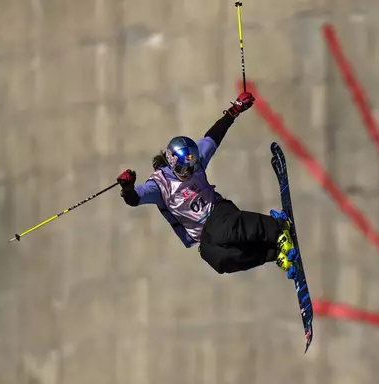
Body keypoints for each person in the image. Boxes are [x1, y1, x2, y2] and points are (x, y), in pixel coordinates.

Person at [116, 92, 298, 278]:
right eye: (183, 168)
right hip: (203, 234)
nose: (189, 172)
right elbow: (134, 199)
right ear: (171, 162)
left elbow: (213, 137)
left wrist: (235, 110)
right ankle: (274, 253)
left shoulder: (196, 160)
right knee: (219, 260)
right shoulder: (159, 184)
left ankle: (277, 228)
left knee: (221, 231)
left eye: (192, 167)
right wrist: (127, 187)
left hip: (218, 211)